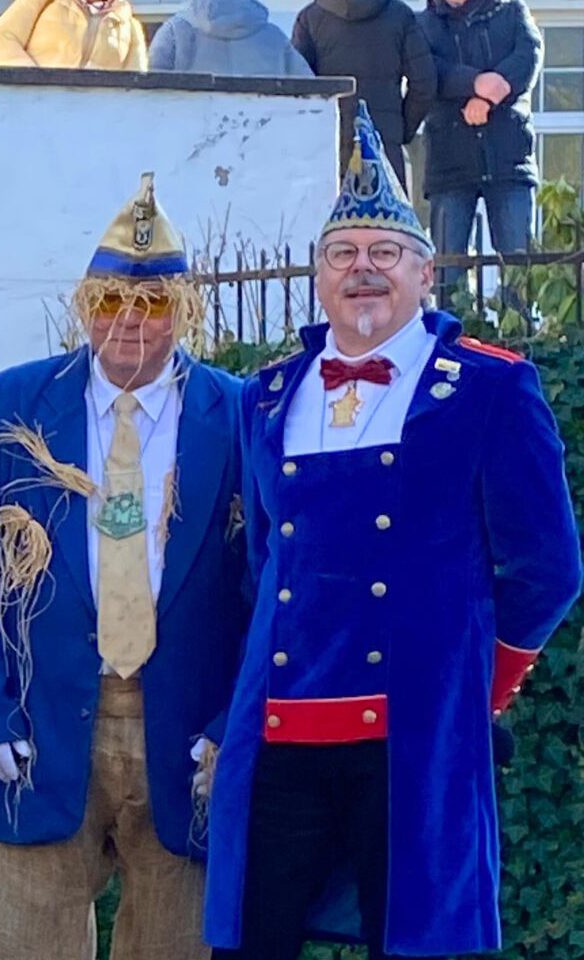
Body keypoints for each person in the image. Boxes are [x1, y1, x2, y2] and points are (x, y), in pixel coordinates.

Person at [204, 102, 582, 960]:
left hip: (412, 727)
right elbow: (266, 557)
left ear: (425, 275)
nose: (362, 270)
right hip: (280, 727)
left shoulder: (489, 387)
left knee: (417, 944)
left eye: (385, 255)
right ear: (318, 279)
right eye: (343, 255)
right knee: (250, 940)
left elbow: (547, 567)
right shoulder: (266, 394)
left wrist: (469, 684)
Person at [0, 174, 248, 960]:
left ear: (186, 311)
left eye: (153, 306)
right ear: (86, 305)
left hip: (185, 746)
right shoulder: (13, 405)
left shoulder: (239, 415)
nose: (131, 323)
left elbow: (268, 583)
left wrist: (232, 728)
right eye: (111, 303)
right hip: (36, 732)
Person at [421, 0, 546, 295]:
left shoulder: (510, 10)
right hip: (449, 162)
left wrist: (492, 94)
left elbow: (528, 54)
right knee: (447, 271)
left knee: (517, 266)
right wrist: (475, 83)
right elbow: (428, 72)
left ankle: (518, 339)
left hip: (509, 159)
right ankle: (452, 339)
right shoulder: (423, 24)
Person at [292, 0, 436, 189]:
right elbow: (424, 83)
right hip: (384, 144)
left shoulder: (310, 18)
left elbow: (299, 90)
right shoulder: (400, 15)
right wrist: (401, 129)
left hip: (329, 151)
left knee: (331, 216)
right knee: (384, 216)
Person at [150, 0, 314, 78]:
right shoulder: (275, 39)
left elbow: (148, 96)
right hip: (261, 140)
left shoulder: (173, 34)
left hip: (189, 140)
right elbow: (311, 96)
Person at [0, 0, 150, 71]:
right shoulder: (42, 3)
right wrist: (34, 84)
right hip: (33, 111)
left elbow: (135, 87)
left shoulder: (130, 25)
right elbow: (2, 40)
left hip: (93, 125)